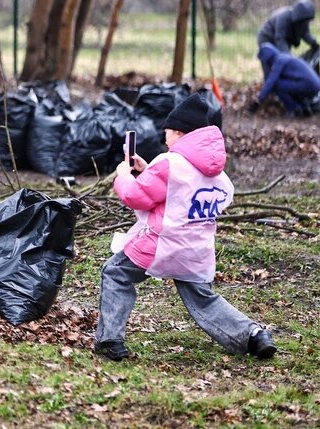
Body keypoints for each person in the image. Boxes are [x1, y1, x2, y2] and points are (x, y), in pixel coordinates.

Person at [94, 93, 277, 362]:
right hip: (197, 250)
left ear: (179, 132)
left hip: (161, 245)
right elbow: (186, 194)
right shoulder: (217, 172)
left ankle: (110, 339)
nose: (164, 136)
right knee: (203, 298)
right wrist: (149, 172)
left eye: (167, 131)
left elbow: (135, 196)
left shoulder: (169, 163)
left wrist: (123, 175)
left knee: (115, 274)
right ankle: (253, 335)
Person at [248, 43, 320, 118]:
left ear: (267, 58)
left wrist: (259, 100)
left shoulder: (279, 61)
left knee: (277, 85)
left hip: (308, 85)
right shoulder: (283, 57)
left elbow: (271, 82)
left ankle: (294, 109)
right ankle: (305, 108)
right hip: (314, 85)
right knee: (288, 85)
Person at [257, 0, 320, 77]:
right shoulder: (283, 17)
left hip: (285, 39)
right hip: (267, 37)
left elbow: (305, 34)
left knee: (284, 64)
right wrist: (289, 58)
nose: (306, 23)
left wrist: (314, 44)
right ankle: (269, 83)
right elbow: (280, 39)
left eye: (307, 21)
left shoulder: (302, 20)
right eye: (304, 21)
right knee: (269, 61)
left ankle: (283, 81)